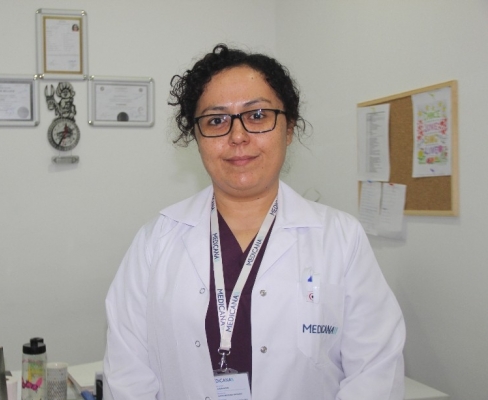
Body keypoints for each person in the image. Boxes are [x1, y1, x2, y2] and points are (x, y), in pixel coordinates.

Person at [103, 44, 405, 400]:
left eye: (258, 115)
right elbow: (127, 374)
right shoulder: (156, 240)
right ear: (196, 138)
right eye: (216, 120)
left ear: (288, 128)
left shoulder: (341, 238)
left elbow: (374, 371)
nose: (238, 136)